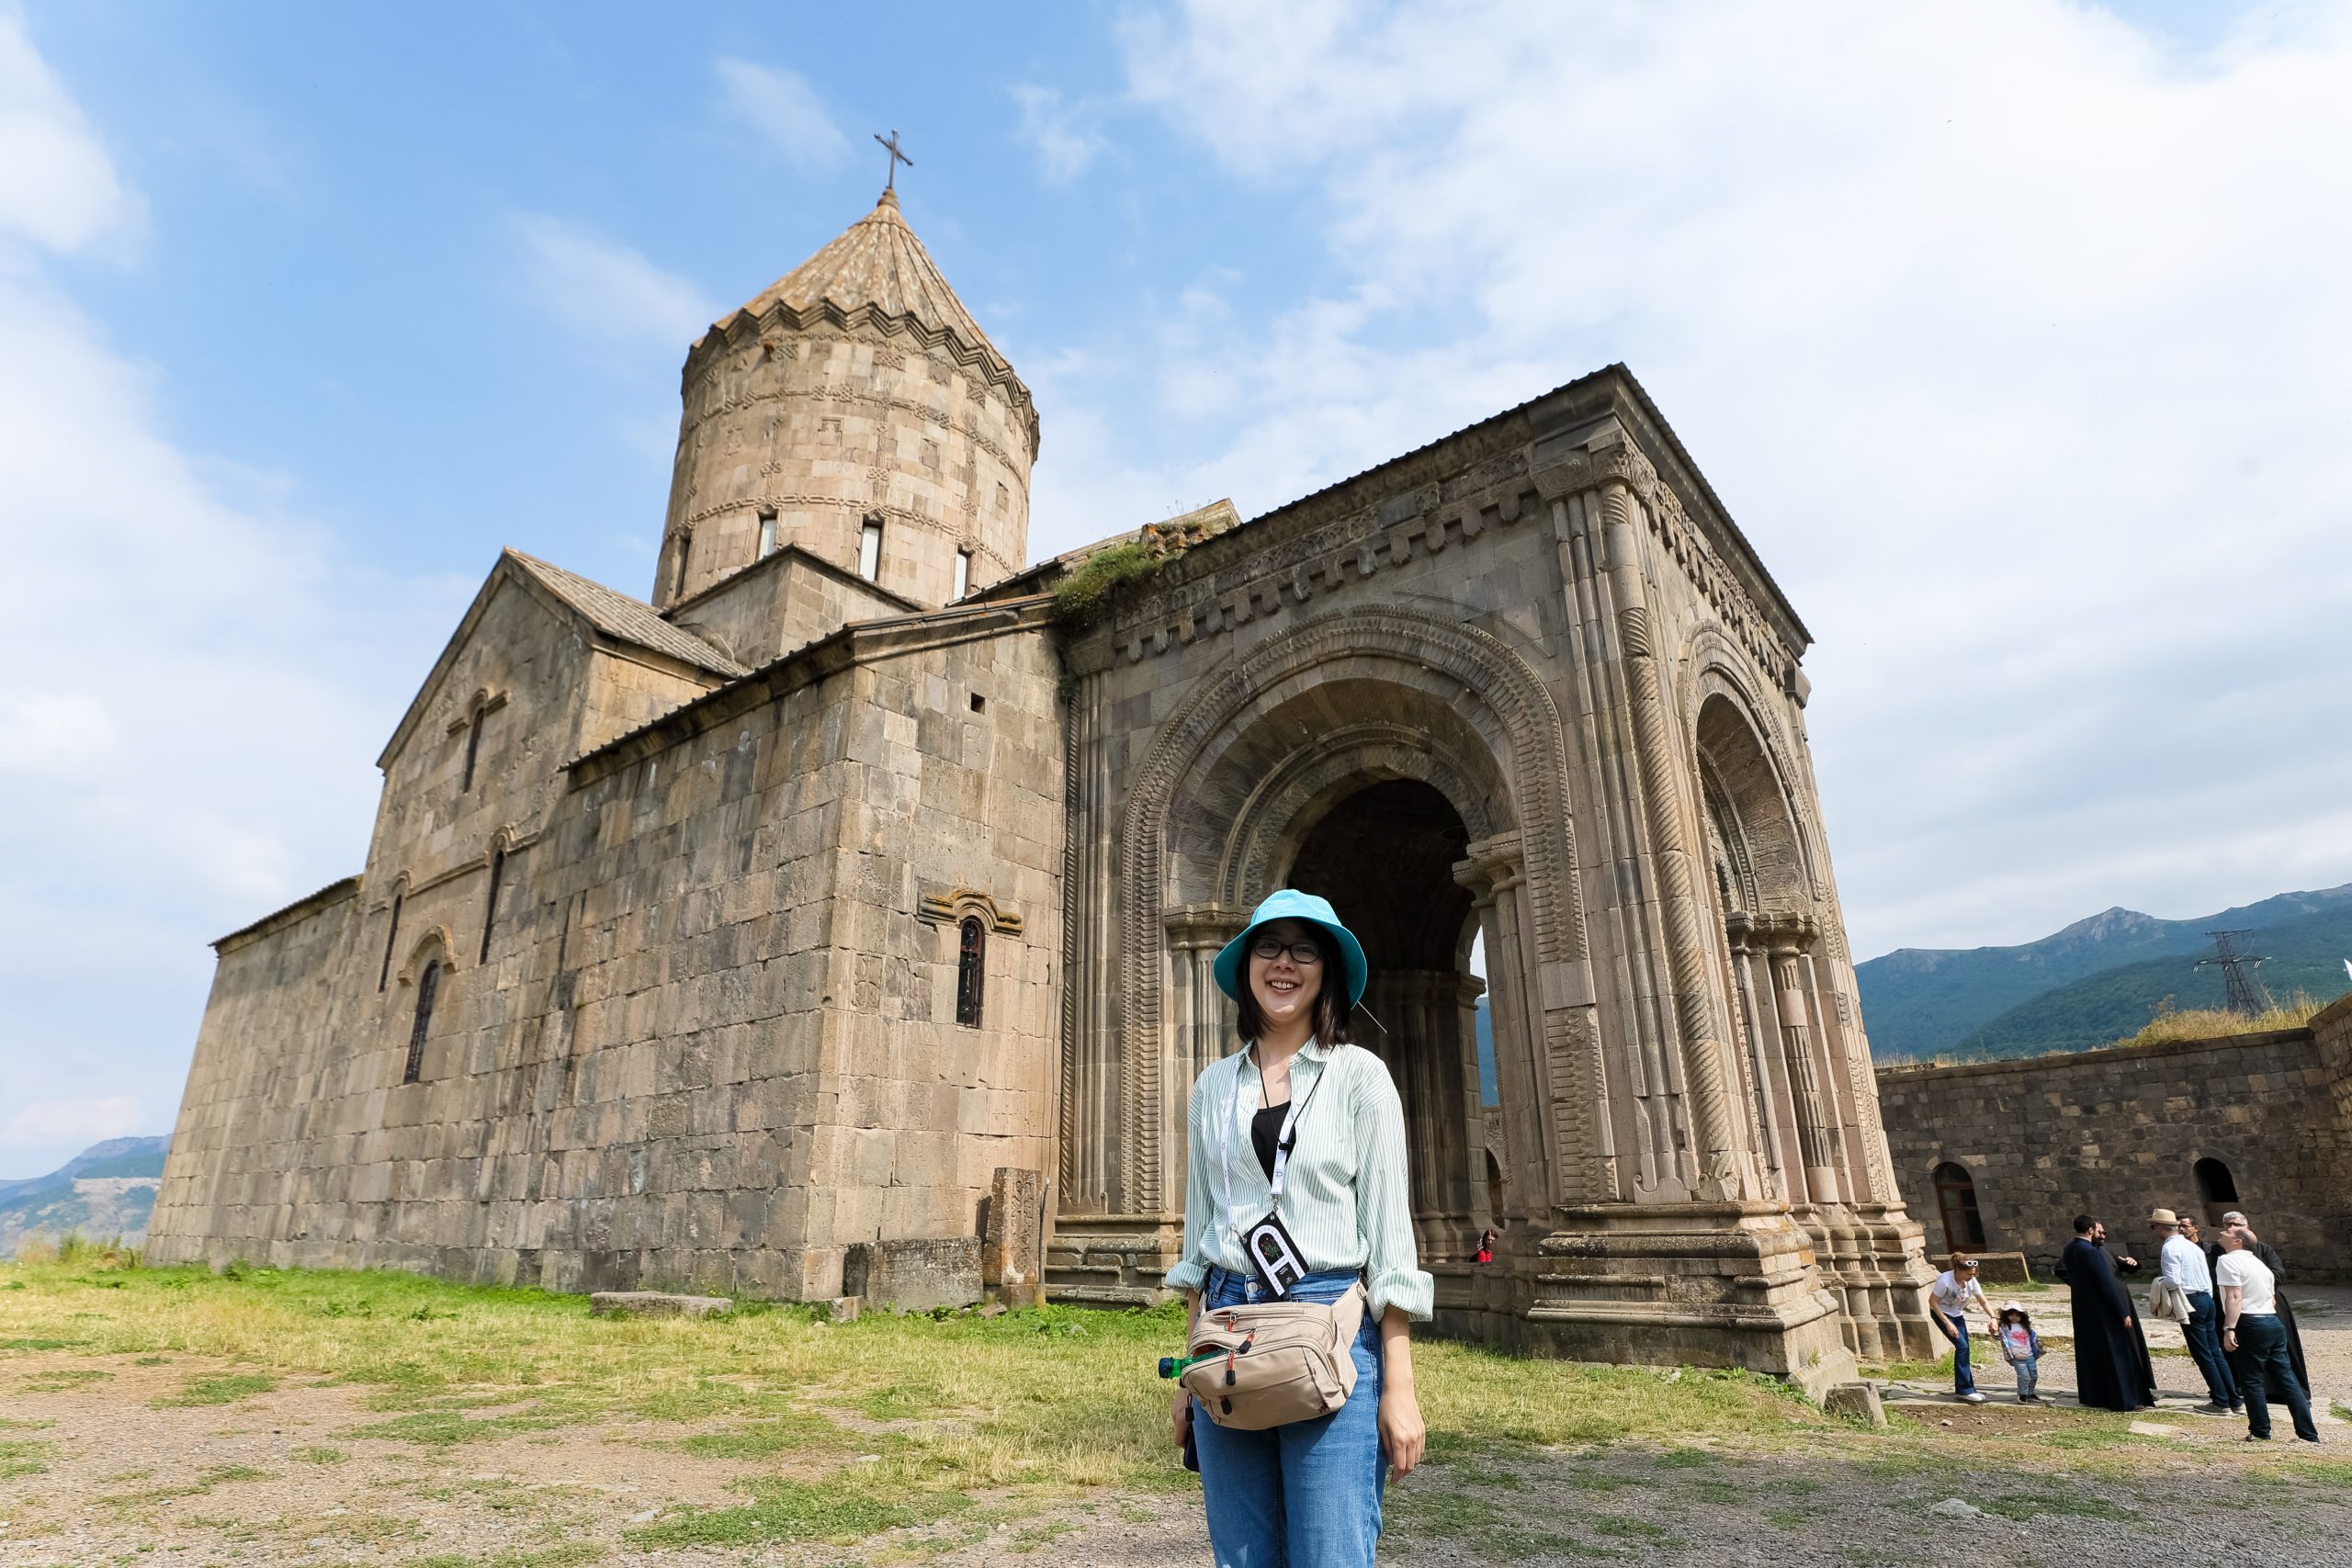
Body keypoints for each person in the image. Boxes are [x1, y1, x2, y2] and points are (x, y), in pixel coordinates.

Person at [1164, 889, 1432, 1567]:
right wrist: (1184, 1375)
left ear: (1327, 970)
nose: (1285, 963)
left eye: (1304, 948)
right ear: (1247, 964)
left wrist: (1399, 1387)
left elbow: (1391, 1244)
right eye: (1269, 946)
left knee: (1331, 1551)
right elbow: (1200, 1239)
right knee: (1242, 1555)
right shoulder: (1212, 1088)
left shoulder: (1360, 1078)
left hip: (1330, 1320)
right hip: (1226, 1327)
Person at [2215, 1225, 2319, 1443]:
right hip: (2272, 1321)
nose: (2223, 1231)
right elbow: (2271, 1298)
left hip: (2250, 1321)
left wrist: (2229, 1328)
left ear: (2238, 1241)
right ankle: (2308, 1433)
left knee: (2252, 1379)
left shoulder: (2228, 1260)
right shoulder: (2260, 1265)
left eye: (2229, 1231)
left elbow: (2234, 1297)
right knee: (2286, 1378)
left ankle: (2261, 1430)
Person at [2063, 1215, 2157, 1411]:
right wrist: (2122, 1312)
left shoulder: (2070, 1249)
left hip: (2084, 1309)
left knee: (2096, 1353)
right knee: (2118, 1353)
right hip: (2103, 1310)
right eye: (2099, 1230)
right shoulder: (2091, 1252)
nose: (2102, 1234)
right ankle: (2127, 1399)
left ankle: (2098, 1396)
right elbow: (2105, 1284)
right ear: (2090, 1230)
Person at [2150, 1208, 2237, 1413]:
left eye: (2154, 1226)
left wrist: (2159, 1283)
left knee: (2203, 1354)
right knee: (2215, 1351)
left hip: (2190, 1300)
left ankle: (2220, 1400)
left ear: (2161, 1227)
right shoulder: (2192, 1247)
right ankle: (2234, 1399)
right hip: (2206, 1298)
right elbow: (2206, 1277)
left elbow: (2173, 1280)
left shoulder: (2170, 1248)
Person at [2212, 1212, 2310, 1395]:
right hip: (2236, 1308)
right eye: (2227, 1224)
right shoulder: (2219, 1251)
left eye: (2235, 1224)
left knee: (2279, 1355)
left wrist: (2254, 1282)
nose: (2230, 1227)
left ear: (2246, 1228)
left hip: (2267, 1302)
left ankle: (2287, 1393)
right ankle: (2248, 1389)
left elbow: (2278, 1272)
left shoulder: (2263, 1250)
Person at [1927, 1254, 1991, 1403]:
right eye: (1968, 1274)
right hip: (1942, 1314)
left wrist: (1993, 1317)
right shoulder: (1945, 1281)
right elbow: (1932, 1302)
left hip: (1957, 1314)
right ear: (1957, 1270)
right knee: (1962, 1347)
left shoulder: (1972, 1281)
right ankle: (1964, 1390)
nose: (1971, 1277)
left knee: (1966, 1348)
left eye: (1973, 1274)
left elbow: (1983, 1301)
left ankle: (1969, 1388)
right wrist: (1947, 1323)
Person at [1996, 1302, 2044, 1403]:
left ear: (2022, 1316)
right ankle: (2022, 1394)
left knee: (2033, 1375)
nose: (2014, 1317)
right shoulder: (2004, 1326)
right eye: (2011, 1314)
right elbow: (1997, 1335)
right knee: (2024, 1376)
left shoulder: (2025, 1326)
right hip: (2016, 1355)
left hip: (2030, 1354)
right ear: (2006, 1315)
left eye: (2017, 1315)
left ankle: (2030, 1393)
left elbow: (2033, 1337)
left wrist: (2038, 1343)